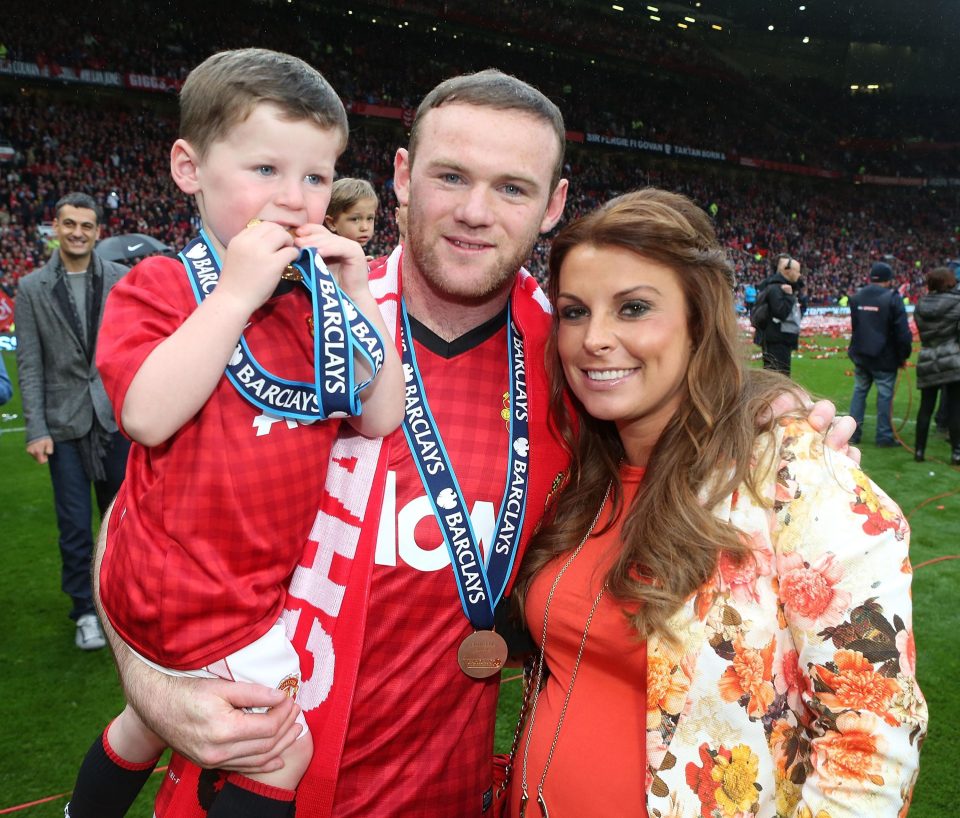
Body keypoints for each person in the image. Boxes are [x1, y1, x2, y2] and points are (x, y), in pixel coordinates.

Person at [100, 70, 857, 818]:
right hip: (252, 776)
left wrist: (770, 412)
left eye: (512, 188)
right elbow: (142, 517)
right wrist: (152, 685)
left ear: (554, 203)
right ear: (401, 175)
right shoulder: (292, 315)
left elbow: (692, 424)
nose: (473, 212)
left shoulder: (582, 364)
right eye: (450, 176)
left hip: (448, 791)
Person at [510, 189, 926, 818]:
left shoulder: (792, 472)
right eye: (574, 311)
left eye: (634, 308)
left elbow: (870, 750)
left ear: (699, 319)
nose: (594, 338)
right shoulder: (575, 473)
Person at [67, 49, 403, 818]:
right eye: (264, 170)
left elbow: (380, 415)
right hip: (183, 582)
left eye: (315, 178)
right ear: (190, 167)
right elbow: (146, 415)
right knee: (281, 747)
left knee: (147, 726)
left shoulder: (316, 299)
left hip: (251, 582)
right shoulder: (161, 284)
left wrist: (358, 295)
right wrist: (235, 294)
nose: (294, 199)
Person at [14, 192, 130, 651]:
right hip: (63, 426)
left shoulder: (122, 279)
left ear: (97, 230)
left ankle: (122, 603)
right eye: (69, 224)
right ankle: (84, 610)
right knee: (76, 526)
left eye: (86, 225)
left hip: (116, 421)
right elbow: (29, 363)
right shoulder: (31, 288)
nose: (78, 232)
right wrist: (36, 429)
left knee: (122, 520)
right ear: (55, 228)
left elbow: (130, 351)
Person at [848, 261, 913, 447]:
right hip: (884, 357)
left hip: (861, 355)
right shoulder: (892, 298)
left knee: (859, 392)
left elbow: (856, 328)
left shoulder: (857, 297)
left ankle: (852, 434)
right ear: (888, 280)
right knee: (884, 396)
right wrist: (903, 356)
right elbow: (902, 333)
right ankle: (884, 436)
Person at [912, 265, 960, 464]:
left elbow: (923, 332)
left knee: (925, 408)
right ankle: (957, 452)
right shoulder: (957, 302)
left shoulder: (920, 304)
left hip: (928, 357)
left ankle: (919, 451)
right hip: (952, 359)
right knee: (956, 408)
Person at [758, 253, 802, 375]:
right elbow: (781, 312)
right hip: (777, 339)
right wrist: (789, 296)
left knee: (779, 376)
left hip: (780, 339)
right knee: (778, 377)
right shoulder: (776, 288)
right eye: (797, 271)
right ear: (788, 271)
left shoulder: (779, 286)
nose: (799, 275)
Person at [324, 177, 378, 256]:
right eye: (355, 219)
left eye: (370, 218)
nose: (365, 227)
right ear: (331, 223)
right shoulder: (323, 260)